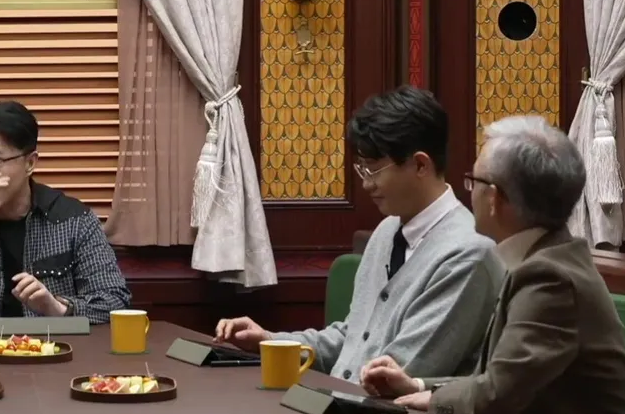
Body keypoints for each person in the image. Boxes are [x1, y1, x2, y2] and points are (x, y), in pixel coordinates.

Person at [361, 115, 625, 414]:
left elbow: (496, 396)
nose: (468, 190)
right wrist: (417, 385)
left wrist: (434, 399)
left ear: (494, 198)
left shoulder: (550, 278)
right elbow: (500, 379)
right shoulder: (544, 257)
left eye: (473, 180)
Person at [214, 86, 504, 383]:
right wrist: (271, 341)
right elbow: (354, 339)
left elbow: (400, 374)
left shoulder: (467, 255)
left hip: (385, 412)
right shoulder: (387, 231)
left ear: (420, 165)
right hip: (345, 402)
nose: (366, 184)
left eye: (374, 170)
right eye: (362, 169)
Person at [0, 100, 131, 325]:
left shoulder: (74, 220)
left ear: (30, 163)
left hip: (52, 346)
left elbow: (115, 302)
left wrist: (58, 309)